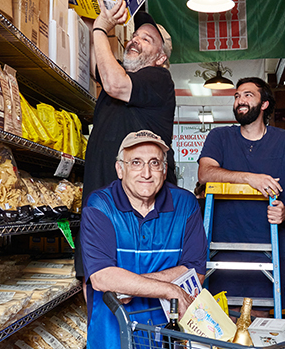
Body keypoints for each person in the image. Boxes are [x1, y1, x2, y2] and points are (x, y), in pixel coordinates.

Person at [83, 129, 206, 349]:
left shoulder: (185, 204)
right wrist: (170, 289)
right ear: (120, 169)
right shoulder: (100, 205)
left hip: (166, 332)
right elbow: (102, 277)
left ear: (165, 169)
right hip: (111, 331)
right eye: (136, 163)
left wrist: (129, 285)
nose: (146, 173)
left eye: (155, 163)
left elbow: (195, 271)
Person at [80, 4, 178, 281]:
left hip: (132, 206)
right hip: (102, 197)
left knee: (126, 281)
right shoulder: (124, 74)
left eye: (147, 39)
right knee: (93, 274)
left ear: (160, 58)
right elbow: (99, 62)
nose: (136, 39)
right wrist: (88, 9)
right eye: (135, 36)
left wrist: (101, 26)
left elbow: (113, 83)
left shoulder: (159, 78)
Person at [196, 77, 285, 306]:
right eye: (237, 96)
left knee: (258, 314)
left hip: (268, 245)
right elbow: (205, 173)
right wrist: (250, 179)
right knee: (221, 315)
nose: (240, 100)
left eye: (248, 95)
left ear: (264, 104)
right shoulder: (219, 137)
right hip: (221, 246)